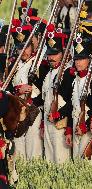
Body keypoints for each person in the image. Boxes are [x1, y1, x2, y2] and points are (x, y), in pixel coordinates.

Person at [68, 29, 92, 160]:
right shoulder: (75, 79)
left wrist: (86, 123)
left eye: (82, 59)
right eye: (77, 59)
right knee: (77, 160)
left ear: (89, 59)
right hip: (76, 124)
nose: (78, 62)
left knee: (87, 161)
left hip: (88, 127)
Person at [10, 19, 43, 160]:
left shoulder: (40, 63)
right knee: (18, 144)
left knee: (33, 144)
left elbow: (43, 88)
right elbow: (8, 87)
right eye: (19, 48)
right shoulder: (12, 64)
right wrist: (17, 90)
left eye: (26, 47)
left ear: (32, 46)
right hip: (16, 108)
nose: (23, 51)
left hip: (33, 108)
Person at [42, 24, 73, 163]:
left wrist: (59, 114)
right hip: (48, 120)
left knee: (61, 160)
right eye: (49, 54)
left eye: (55, 54)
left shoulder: (67, 73)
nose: (51, 58)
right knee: (49, 159)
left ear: (63, 53)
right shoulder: (49, 73)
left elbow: (71, 102)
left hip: (60, 122)